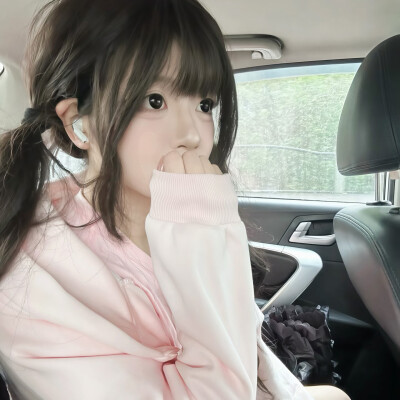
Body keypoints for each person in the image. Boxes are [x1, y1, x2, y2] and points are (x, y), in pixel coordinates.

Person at [0, 0, 351, 398]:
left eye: (204, 105)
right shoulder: (30, 274)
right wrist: (204, 241)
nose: (193, 135)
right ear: (78, 122)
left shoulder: (178, 213)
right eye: (154, 101)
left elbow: (245, 352)